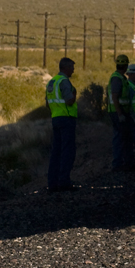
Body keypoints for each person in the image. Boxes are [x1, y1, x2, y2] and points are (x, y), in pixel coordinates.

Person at [46, 57, 78, 192]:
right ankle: (64, 182)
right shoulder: (64, 82)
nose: (73, 70)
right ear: (65, 68)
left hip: (56, 119)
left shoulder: (51, 82)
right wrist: (74, 94)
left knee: (56, 152)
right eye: (72, 67)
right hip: (67, 119)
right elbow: (70, 100)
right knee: (67, 151)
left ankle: (52, 183)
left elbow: (47, 104)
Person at [107, 54, 135, 171]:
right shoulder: (117, 78)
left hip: (120, 112)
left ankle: (125, 162)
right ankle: (118, 163)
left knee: (124, 137)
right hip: (118, 112)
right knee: (120, 138)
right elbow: (115, 96)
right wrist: (120, 114)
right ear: (126, 65)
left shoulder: (120, 77)